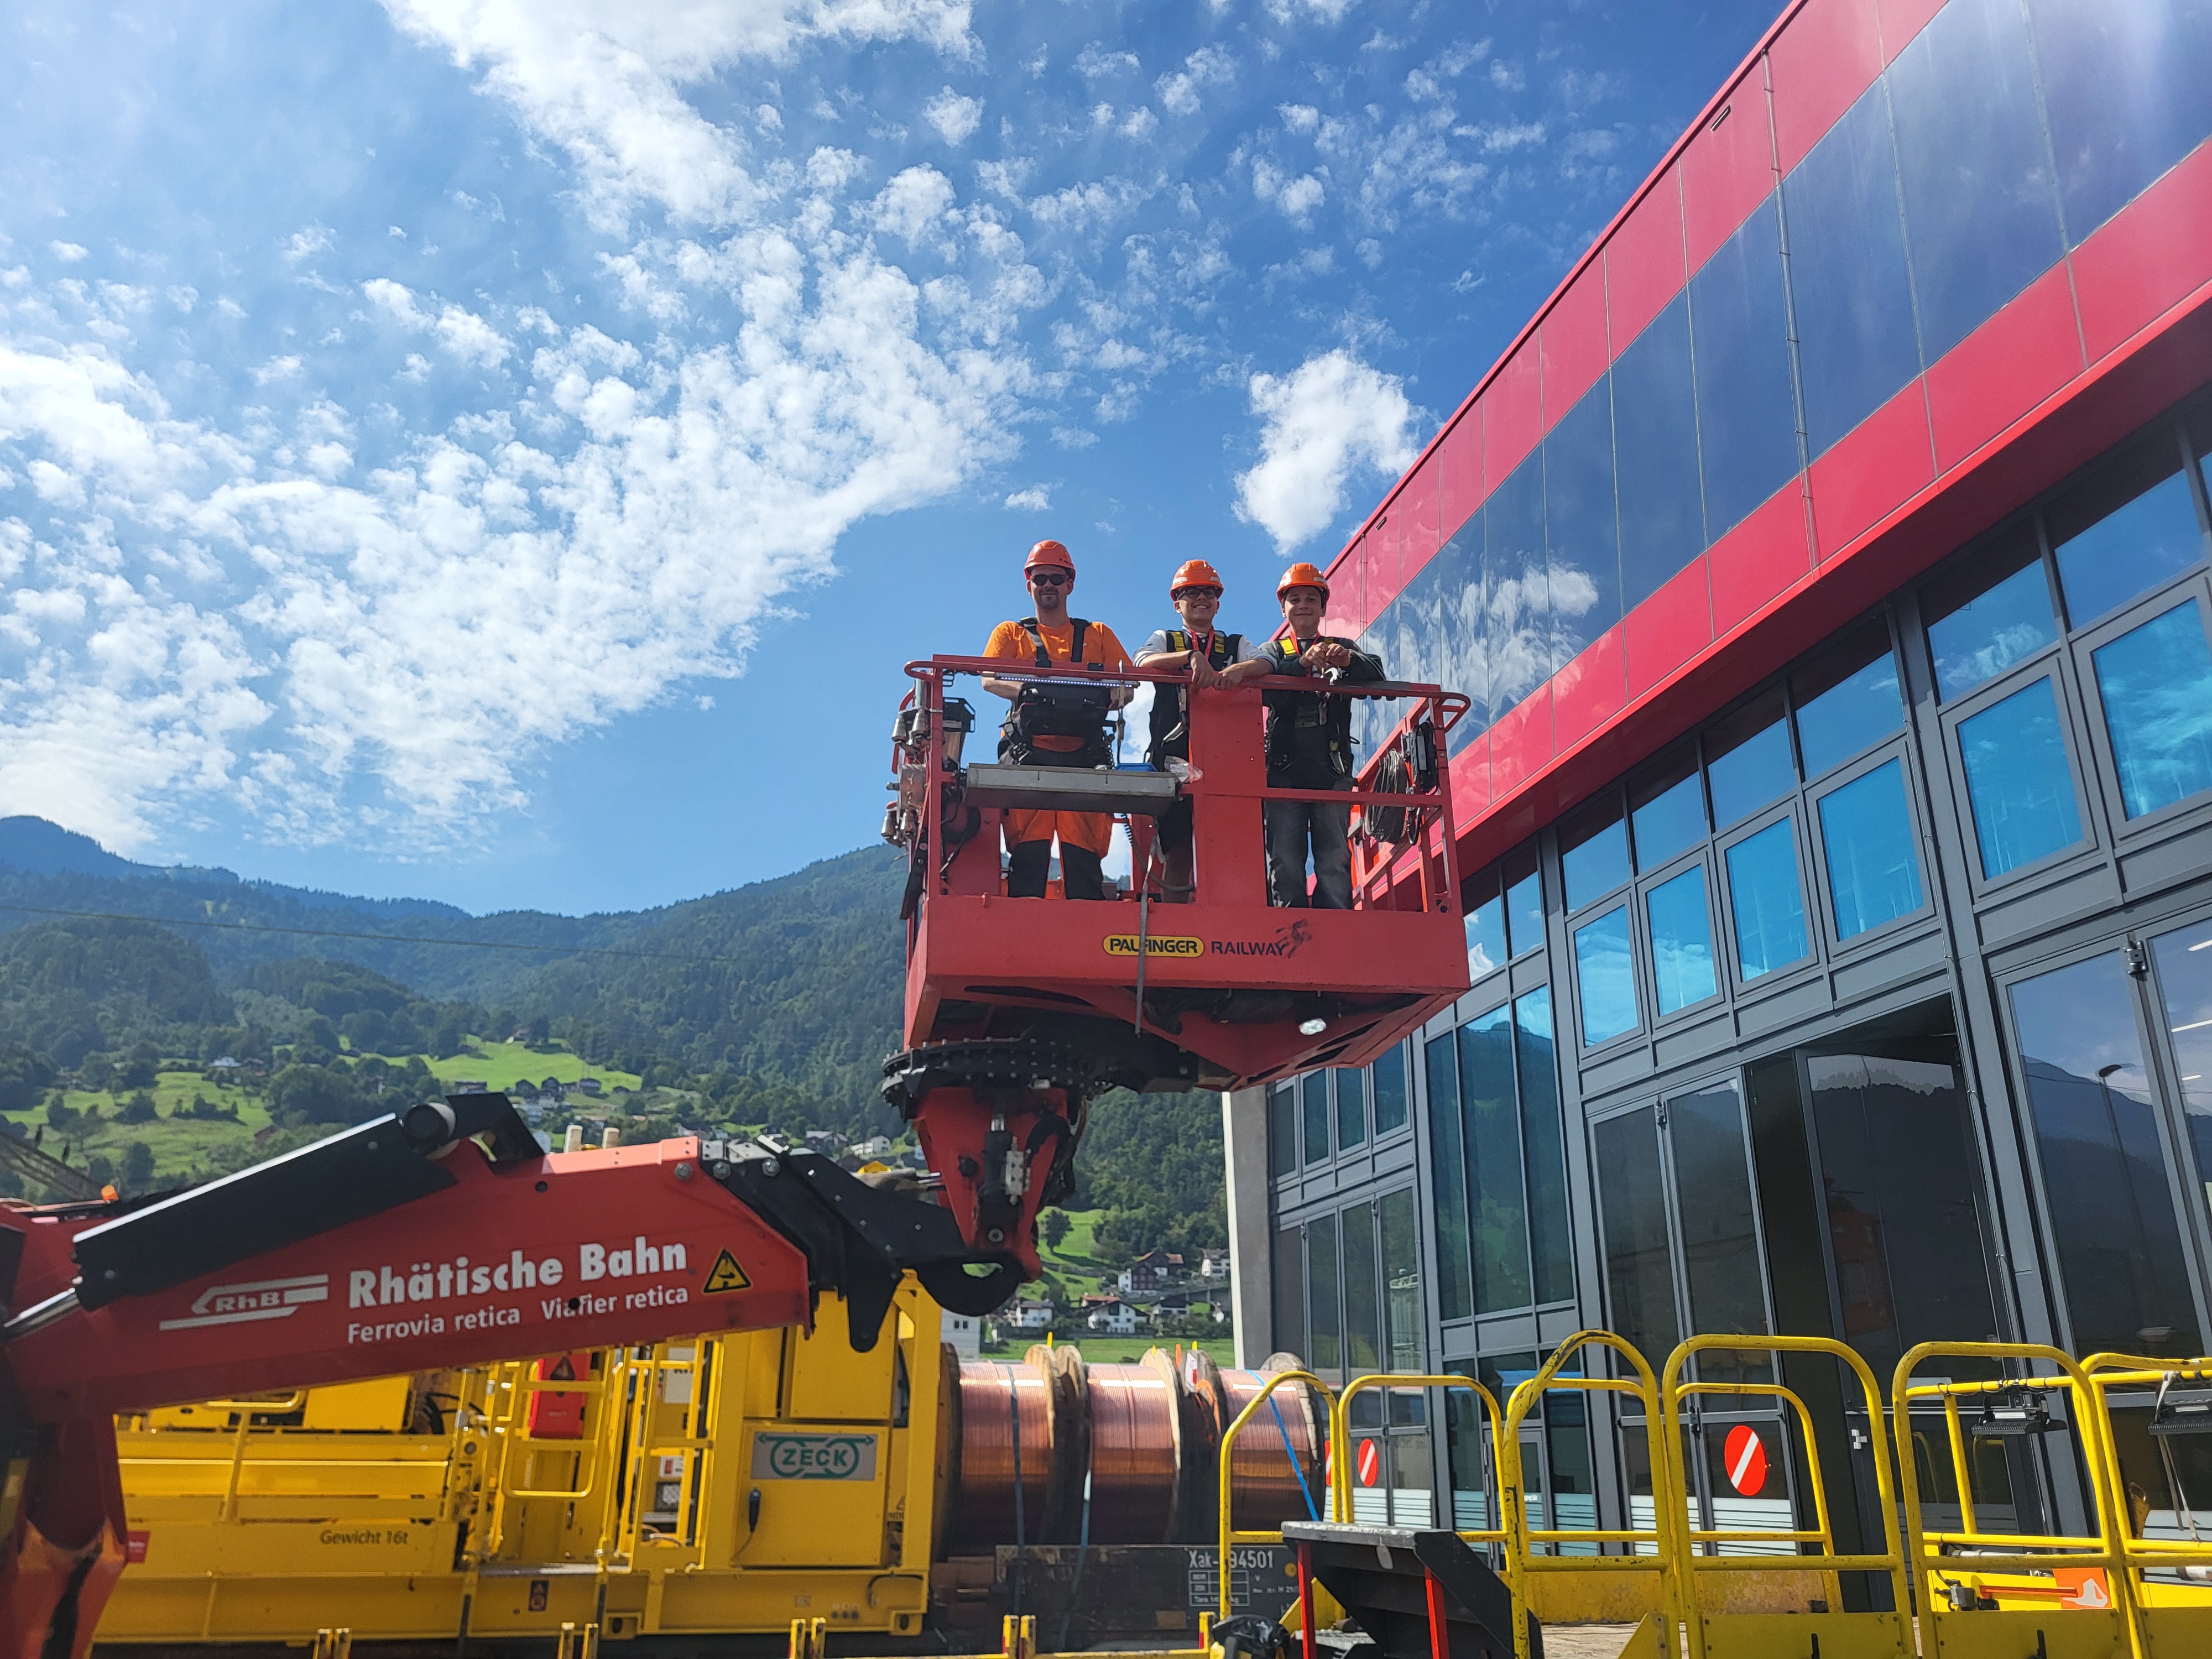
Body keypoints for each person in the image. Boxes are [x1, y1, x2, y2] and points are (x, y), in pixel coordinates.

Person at [980, 539, 1134, 900]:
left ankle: (1090, 936)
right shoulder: (1010, 634)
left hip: (1084, 756)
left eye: (1056, 577)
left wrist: (1102, 703)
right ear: (1028, 582)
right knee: (1028, 855)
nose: (1048, 584)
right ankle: (1020, 936)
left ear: (1070, 583)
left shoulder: (1098, 635)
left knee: (1084, 855)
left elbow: (1130, 685)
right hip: (1026, 754)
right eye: (1040, 577)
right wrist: (1030, 695)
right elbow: (989, 678)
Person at [1133, 559, 1272, 902]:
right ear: (1176, 602)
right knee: (1178, 848)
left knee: (1234, 848)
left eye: (1209, 593)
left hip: (1230, 759)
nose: (1201, 599)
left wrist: (1238, 671)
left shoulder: (1236, 643)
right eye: (1191, 593)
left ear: (1218, 602)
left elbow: (1268, 663)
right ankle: (1181, 924)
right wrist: (1191, 656)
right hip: (1176, 758)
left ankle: (1236, 924)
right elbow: (1141, 662)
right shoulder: (1166, 639)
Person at [1261, 561, 1384, 909]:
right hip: (1284, 770)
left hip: (1331, 769)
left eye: (1311, 599)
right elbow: (1264, 691)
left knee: (1333, 856)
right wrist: (1301, 664)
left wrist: (1347, 662)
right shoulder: (1274, 652)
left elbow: (1376, 674)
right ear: (1284, 607)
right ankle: (1289, 919)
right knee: (1284, 854)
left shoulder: (1340, 645)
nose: (1303, 605)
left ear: (1323, 607)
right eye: (1295, 599)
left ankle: (1335, 919)